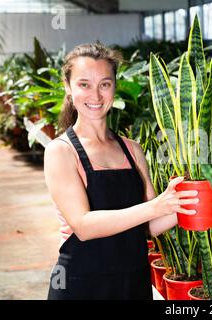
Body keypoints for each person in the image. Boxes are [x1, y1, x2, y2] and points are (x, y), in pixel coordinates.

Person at [44, 42, 199, 300]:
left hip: (133, 284)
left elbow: (149, 225)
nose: (95, 95)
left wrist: (188, 199)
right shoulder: (61, 151)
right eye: (84, 84)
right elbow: (83, 225)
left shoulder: (132, 150)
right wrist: (156, 206)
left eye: (104, 84)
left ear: (115, 87)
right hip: (82, 285)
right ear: (68, 88)